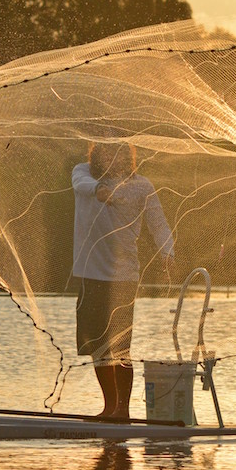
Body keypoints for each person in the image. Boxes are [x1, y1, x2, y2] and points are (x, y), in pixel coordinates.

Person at [72, 141, 174, 420]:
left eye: (117, 150)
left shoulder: (141, 186)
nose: (110, 155)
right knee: (96, 346)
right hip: (89, 274)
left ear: (127, 155)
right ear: (96, 154)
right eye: (105, 150)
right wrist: (99, 190)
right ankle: (109, 407)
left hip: (124, 277)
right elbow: (81, 184)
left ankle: (123, 410)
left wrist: (168, 252)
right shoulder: (83, 173)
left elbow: (159, 222)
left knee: (120, 346)